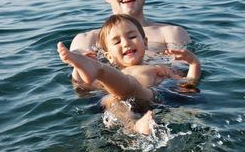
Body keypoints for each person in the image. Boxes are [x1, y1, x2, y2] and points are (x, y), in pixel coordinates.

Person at [58, 14, 201, 135]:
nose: (126, 43)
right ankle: (135, 126)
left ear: (145, 43)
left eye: (132, 36)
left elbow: (185, 85)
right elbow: (84, 89)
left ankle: (94, 68)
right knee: (112, 99)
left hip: (149, 97)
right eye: (117, 41)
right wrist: (78, 72)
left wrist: (194, 64)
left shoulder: (157, 68)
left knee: (129, 84)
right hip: (115, 101)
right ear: (109, 56)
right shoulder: (114, 77)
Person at [69, 0, 191, 84]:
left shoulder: (171, 33)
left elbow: (182, 80)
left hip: (163, 95)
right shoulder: (86, 40)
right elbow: (81, 86)